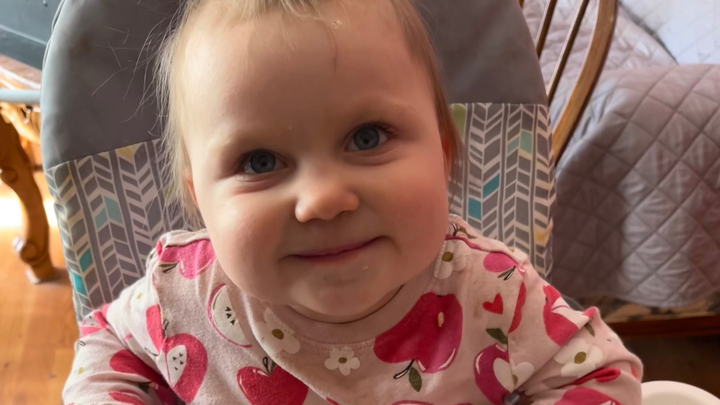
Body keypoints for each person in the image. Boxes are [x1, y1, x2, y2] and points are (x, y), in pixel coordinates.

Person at [63, 0, 643, 404]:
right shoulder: (180, 296)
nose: (322, 200)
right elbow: (106, 348)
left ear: (443, 153)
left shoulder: (495, 296)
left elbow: (601, 374)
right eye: (259, 162)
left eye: (367, 138)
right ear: (200, 201)